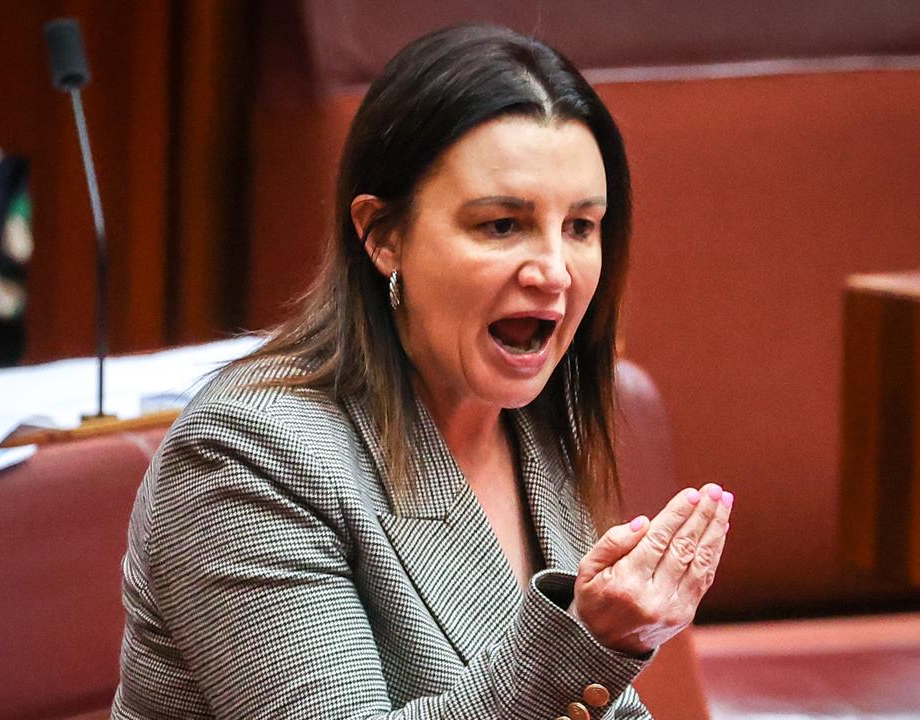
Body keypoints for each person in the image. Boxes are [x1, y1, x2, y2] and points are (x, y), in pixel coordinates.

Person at [112, 23, 733, 720]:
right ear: (382, 237)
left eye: (581, 227)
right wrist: (587, 640)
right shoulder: (250, 453)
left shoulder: (539, 425)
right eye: (502, 224)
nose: (555, 272)